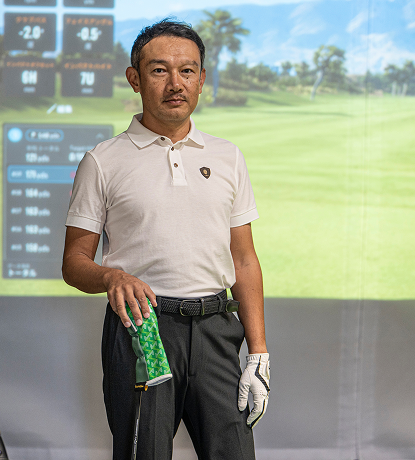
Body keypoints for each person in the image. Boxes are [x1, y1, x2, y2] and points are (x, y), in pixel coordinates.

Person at [61, 19, 269, 460]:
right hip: (143, 330)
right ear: (134, 78)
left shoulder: (228, 156)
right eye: (159, 70)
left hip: (217, 331)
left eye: (187, 70)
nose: (176, 83)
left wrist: (259, 353)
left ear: (201, 79)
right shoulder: (102, 161)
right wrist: (112, 276)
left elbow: (244, 260)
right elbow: (74, 262)